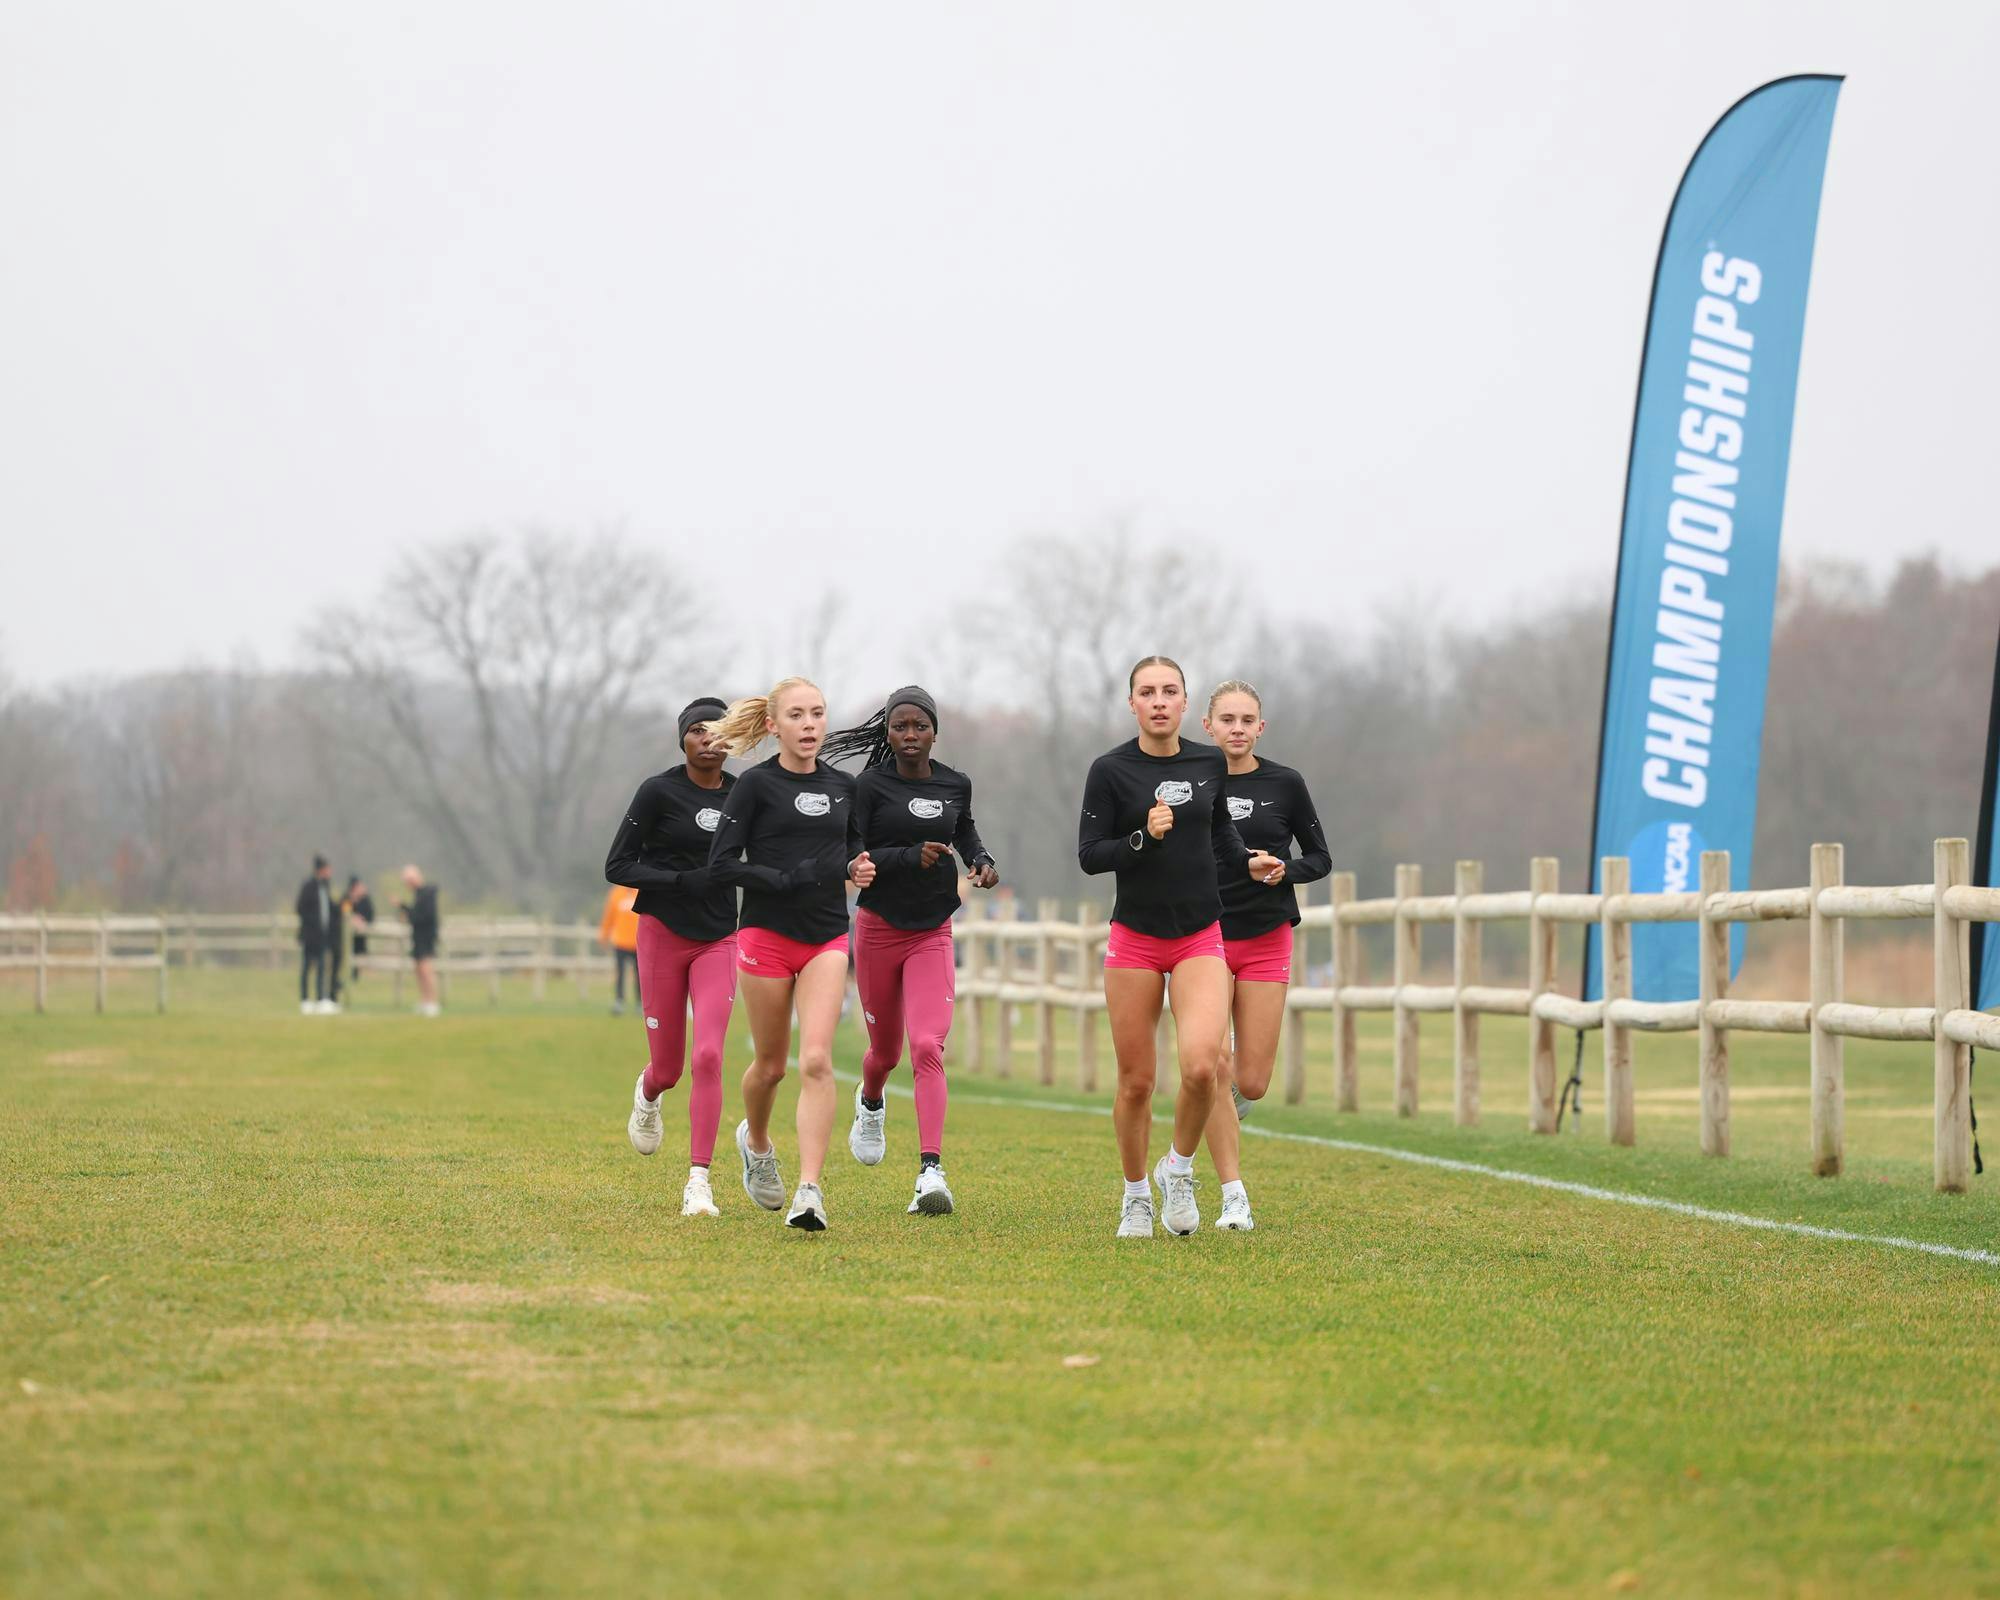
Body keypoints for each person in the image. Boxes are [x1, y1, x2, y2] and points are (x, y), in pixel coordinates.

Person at [1077, 656, 1282, 1239]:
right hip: (1135, 940)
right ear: (1133, 704)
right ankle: (1136, 1194)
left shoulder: (1207, 761)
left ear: (1186, 704)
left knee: (1200, 1068)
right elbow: (1090, 855)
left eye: (1170, 691)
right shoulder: (1109, 770)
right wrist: (1142, 836)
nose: (1160, 701)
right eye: (1148, 692)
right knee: (1137, 1081)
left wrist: (1247, 859)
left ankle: (1181, 1169)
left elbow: (1221, 832)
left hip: (1199, 937)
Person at [704, 677, 875, 1232]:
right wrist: (783, 879)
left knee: (818, 1060)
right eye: (797, 715)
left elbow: (852, 848)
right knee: (772, 1066)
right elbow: (722, 863)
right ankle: (755, 1141)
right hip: (765, 937)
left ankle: (810, 1190)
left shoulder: (844, 786)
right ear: (774, 725)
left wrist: (859, 866)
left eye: (817, 714)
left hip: (826, 936)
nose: (809, 725)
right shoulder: (753, 786)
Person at [823, 685, 999, 1217]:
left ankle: (930, 1171)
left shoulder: (955, 783)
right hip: (879, 928)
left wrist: (982, 859)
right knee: (885, 1053)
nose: (910, 735)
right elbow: (852, 849)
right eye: (899, 726)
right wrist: (904, 857)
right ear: (889, 732)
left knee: (927, 1045)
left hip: (932, 930)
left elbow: (963, 830)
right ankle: (871, 1101)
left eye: (919, 726)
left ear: (934, 731)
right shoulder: (870, 786)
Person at [1198, 680, 1331, 1231]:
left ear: (1260, 727)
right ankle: (1233, 1194)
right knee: (1209, 1063)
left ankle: (1217, 1087)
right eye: (1226, 719)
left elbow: (1320, 857)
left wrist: (1285, 871)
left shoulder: (1286, 783)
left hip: (1267, 936)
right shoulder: (1189, 779)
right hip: (1203, 937)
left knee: (1250, 1083)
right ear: (1207, 726)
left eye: (1246, 719)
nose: (1236, 728)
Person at [604, 696, 740, 1219]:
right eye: (696, 732)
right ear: (682, 740)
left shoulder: (744, 794)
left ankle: (699, 1181)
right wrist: (680, 880)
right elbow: (618, 865)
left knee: (709, 1055)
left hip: (718, 938)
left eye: (717, 732)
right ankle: (648, 1091)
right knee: (670, 1067)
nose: (707, 740)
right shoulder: (658, 792)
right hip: (661, 931)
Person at [294, 853, 336, 1014]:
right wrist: (313, 924)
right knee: (307, 967)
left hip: (323, 936)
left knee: (321, 967)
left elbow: (330, 907)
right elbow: (300, 908)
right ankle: (305, 999)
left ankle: (320, 999)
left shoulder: (325, 886)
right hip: (310, 935)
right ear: (321, 870)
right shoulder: (308, 886)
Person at [399, 864, 441, 1016]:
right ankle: (425, 1000)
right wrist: (403, 907)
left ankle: (433, 1002)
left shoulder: (427, 894)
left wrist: (408, 913)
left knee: (426, 970)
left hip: (426, 937)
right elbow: (415, 914)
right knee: (419, 970)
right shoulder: (418, 895)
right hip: (417, 937)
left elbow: (423, 916)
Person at [598, 883, 642, 1015]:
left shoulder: (641, 891)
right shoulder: (616, 893)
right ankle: (619, 1001)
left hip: (638, 942)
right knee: (620, 974)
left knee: (639, 975)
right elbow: (609, 916)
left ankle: (640, 1003)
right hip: (620, 941)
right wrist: (604, 935)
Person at [340, 876, 375, 997]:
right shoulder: (346, 898)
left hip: (359, 939)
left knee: (358, 959)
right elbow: (343, 913)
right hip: (345, 939)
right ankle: (344, 980)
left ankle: (353, 980)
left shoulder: (365, 900)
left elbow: (370, 916)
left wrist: (362, 920)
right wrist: (352, 918)